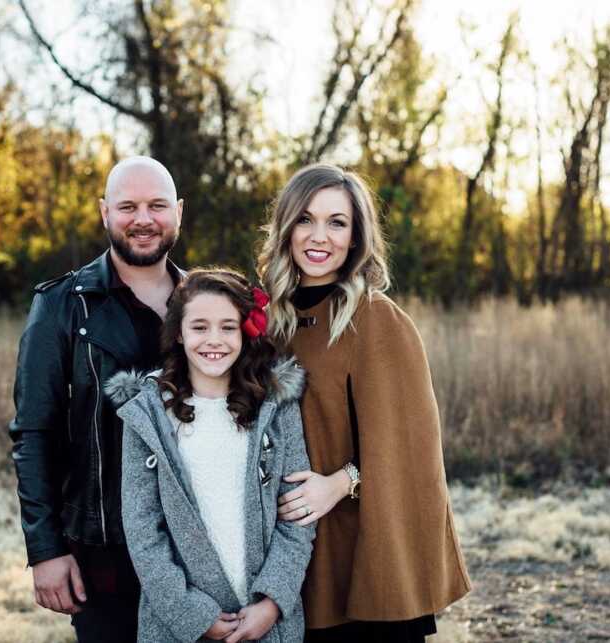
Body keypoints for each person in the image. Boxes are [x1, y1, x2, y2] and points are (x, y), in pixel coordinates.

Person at [256, 164, 471, 642]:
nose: (319, 236)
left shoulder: (375, 319)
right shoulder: (268, 322)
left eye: (337, 222)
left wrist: (341, 483)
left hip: (364, 558)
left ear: (355, 237)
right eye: (306, 219)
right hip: (291, 558)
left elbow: (412, 449)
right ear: (286, 227)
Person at [9, 156, 185, 642]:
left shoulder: (208, 304)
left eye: (157, 205)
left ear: (179, 213)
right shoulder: (62, 305)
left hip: (199, 546)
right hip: (106, 549)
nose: (143, 219)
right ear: (105, 212)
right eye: (128, 206)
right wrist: (45, 550)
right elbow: (33, 433)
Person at [104, 269, 316, 642]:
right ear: (180, 333)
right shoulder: (148, 415)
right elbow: (143, 532)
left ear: (245, 332)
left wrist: (272, 602)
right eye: (200, 327)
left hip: (267, 621)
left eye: (227, 327)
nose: (213, 340)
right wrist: (192, 614)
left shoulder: (276, 408)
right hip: (178, 624)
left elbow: (297, 518)